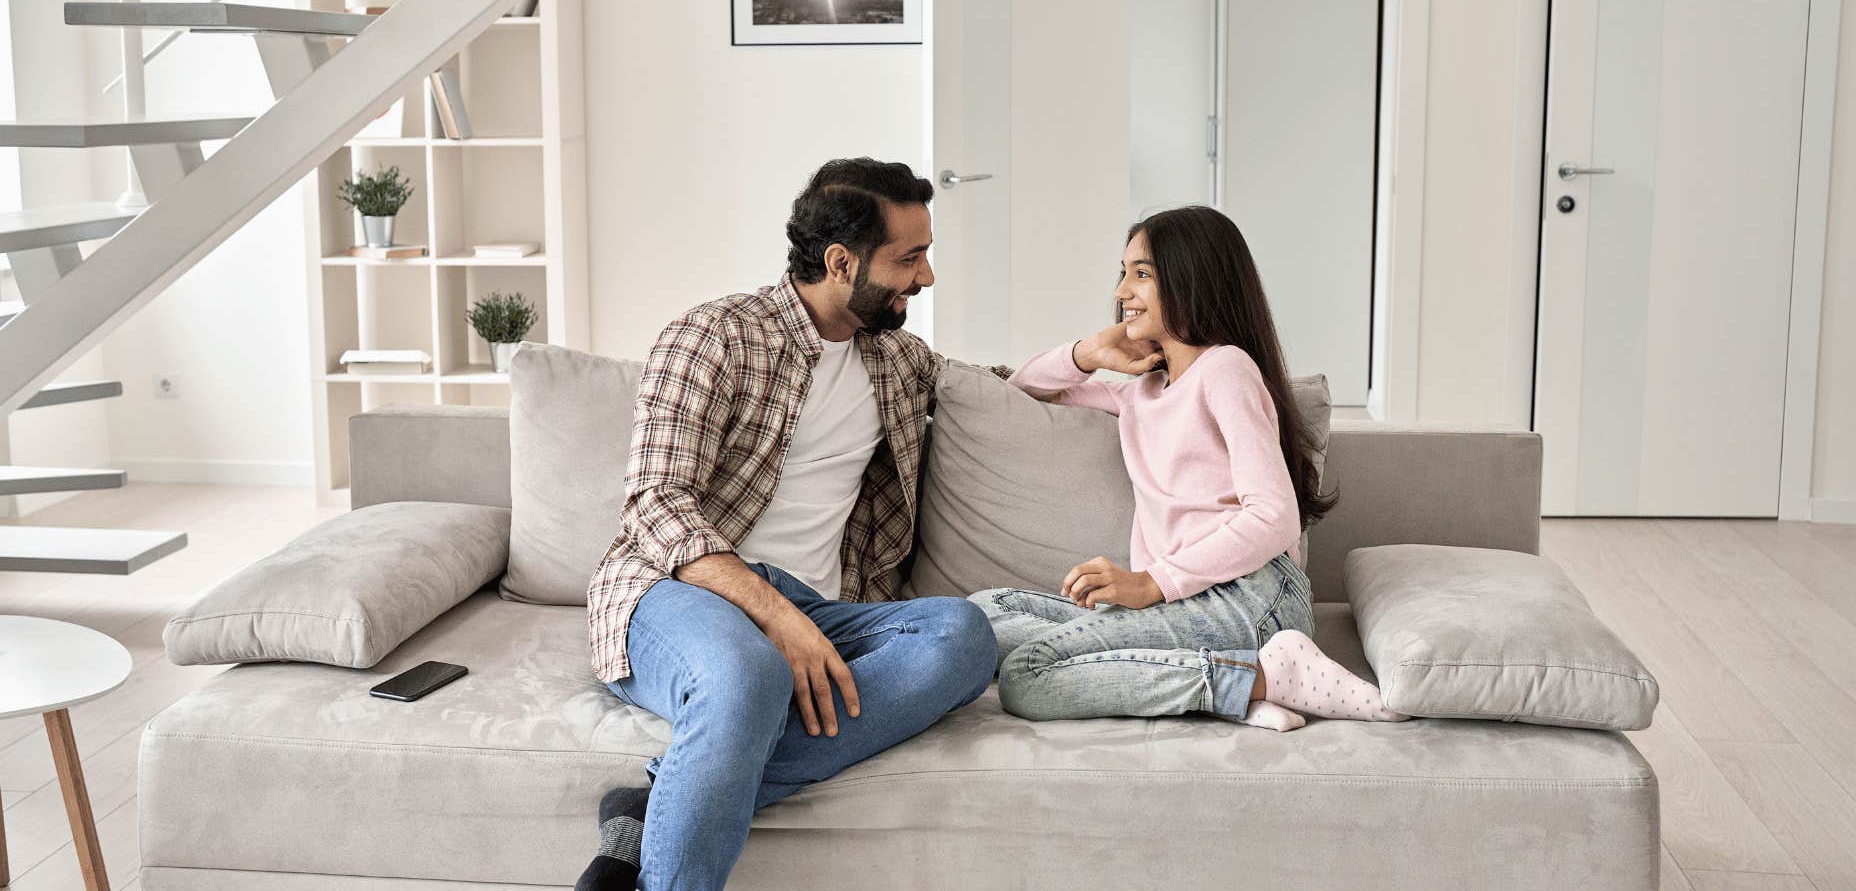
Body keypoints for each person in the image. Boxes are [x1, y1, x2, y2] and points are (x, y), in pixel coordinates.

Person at [577, 158, 997, 891]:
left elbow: (990, 387)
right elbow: (655, 503)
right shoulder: (713, 337)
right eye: (909, 258)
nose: (925, 279)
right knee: (750, 673)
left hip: (822, 608)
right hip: (680, 594)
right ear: (841, 262)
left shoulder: (897, 361)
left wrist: (1089, 357)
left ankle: (657, 806)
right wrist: (773, 616)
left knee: (962, 637)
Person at [970, 205, 1408, 732]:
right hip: (1175, 605)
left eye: (1143, 274)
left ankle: (1264, 679)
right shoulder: (1141, 394)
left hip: (1253, 594)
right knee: (977, 614)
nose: (1121, 291)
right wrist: (1089, 352)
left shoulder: (1225, 369)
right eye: (1123, 273)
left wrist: (1150, 583)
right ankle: (1240, 680)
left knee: (1028, 675)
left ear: (1192, 278)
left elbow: (1274, 517)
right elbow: (1022, 390)